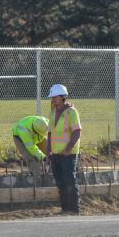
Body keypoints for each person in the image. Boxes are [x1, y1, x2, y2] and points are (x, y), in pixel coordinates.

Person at [47, 84, 82, 214]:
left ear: (63, 97)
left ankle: (74, 209)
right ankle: (65, 208)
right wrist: (48, 152)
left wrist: (68, 149)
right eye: (52, 97)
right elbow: (50, 133)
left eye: (55, 97)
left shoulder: (72, 112)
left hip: (68, 154)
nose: (53, 99)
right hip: (56, 153)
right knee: (60, 182)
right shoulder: (53, 112)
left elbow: (77, 132)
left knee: (69, 180)